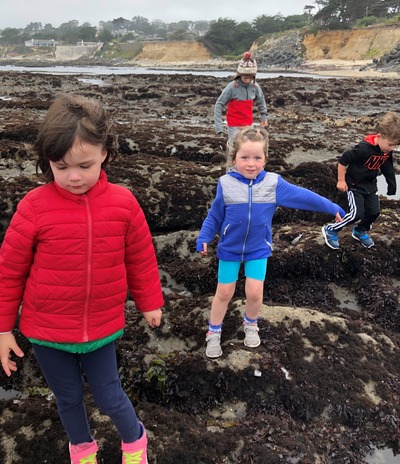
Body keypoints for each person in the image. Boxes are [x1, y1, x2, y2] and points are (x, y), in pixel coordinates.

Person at [0, 94, 164, 464]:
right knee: (69, 397)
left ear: (105, 152)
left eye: (84, 165)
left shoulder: (123, 203)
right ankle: (82, 450)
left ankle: (135, 442)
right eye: (60, 167)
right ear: (47, 162)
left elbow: (140, 257)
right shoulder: (34, 207)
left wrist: (150, 301)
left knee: (109, 395)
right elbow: (9, 271)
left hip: (102, 326)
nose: (73, 177)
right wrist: (3, 329)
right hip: (46, 330)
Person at [196, 127, 345, 358]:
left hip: (258, 249)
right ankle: (214, 332)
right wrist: (205, 237)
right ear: (234, 157)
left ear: (265, 158)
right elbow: (215, 215)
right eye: (244, 157)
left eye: (257, 158)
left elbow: (303, 196)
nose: (251, 163)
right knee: (224, 292)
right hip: (229, 249)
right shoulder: (225, 184)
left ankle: (251, 324)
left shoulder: (273, 184)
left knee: (255, 292)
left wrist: (332, 207)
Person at [322, 111, 400, 250]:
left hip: (370, 185)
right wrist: (341, 180)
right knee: (356, 213)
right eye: (390, 145)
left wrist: (391, 185)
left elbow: (387, 167)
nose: (392, 148)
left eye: (395, 146)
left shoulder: (386, 150)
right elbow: (343, 160)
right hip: (354, 184)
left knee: (374, 212)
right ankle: (331, 229)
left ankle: (359, 231)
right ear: (379, 136)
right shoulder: (363, 149)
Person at [214, 51, 268, 151]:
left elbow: (261, 101)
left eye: (250, 77)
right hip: (234, 126)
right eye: (245, 77)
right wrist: (218, 126)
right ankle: (231, 167)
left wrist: (264, 116)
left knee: (248, 150)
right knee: (234, 151)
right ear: (239, 75)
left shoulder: (255, 87)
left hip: (249, 125)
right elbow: (219, 104)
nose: (248, 80)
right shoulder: (231, 88)